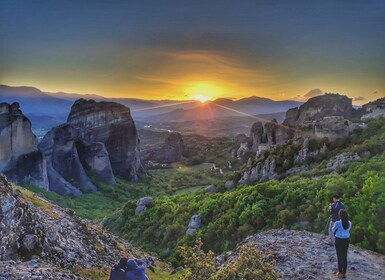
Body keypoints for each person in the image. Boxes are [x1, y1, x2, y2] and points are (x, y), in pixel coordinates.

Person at [332, 209, 352, 279]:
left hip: (339, 240)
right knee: (345, 257)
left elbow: (333, 230)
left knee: (339, 257)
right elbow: (348, 230)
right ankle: (344, 273)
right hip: (346, 240)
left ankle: (340, 273)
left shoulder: (337, 223)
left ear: (340, 216)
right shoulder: (349, 223)